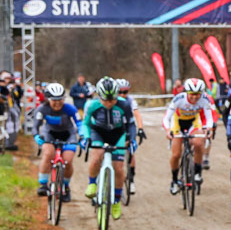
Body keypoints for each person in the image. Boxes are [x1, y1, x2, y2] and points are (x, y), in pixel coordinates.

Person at [79, 77, 136, 219]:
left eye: (113, 100)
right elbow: (85, 124)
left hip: (117, 134)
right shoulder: (92, 105)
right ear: (99, 96)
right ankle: (92, 183)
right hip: (98, 132)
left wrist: (132, 139)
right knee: (96, 156)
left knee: (118, 168)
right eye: (106, 100)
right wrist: (85, 137)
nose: (109, 103)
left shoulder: (124, 105)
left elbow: (131, 124)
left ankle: (116, 200)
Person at [163, 78, 217, 193]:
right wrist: (168, 130)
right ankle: (174, 180)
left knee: (198, 143)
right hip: (177, 123)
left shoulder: (204, 99)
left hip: (193, 122)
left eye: (198, 94)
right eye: (192, 94)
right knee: (176, 154)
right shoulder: (179, 99)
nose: (195, 97)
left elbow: (209, 118)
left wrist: (208, 129)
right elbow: (167, 117)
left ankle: (197, 173)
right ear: (187, 92)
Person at [34, 83, 79, 201]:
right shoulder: (42, 109)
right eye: (54, 100)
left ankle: (66, 186)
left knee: (68, 161)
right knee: (48, 154)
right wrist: (36, 136)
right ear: (48, 99)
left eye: (60, 99)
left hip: (68, 135)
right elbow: (36, 125)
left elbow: (79, 123)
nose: (58, 103)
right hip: (49, 134)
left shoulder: (70, 108)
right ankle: (43, 184)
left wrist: (83, 135)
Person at [115, 79, 148, 195]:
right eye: (120, 92)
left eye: (125, 92)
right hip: (115, 127)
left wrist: (140, 128)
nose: (123, 95)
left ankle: (131, 180)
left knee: (131, 151)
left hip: (128, 126)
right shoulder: (112, 101)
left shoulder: (130, 101)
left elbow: (137, 115)